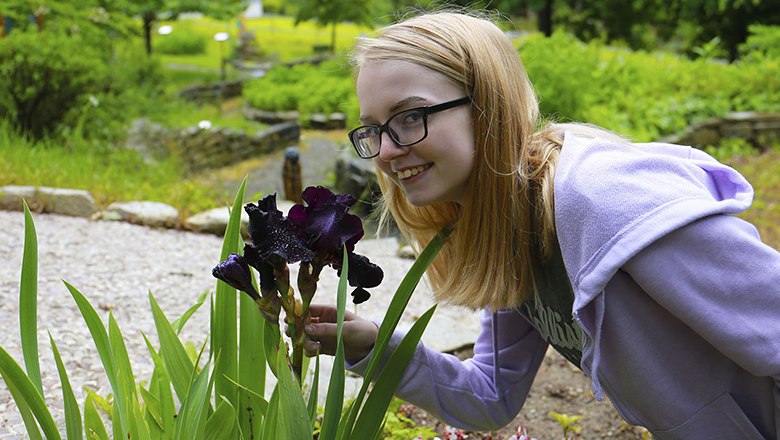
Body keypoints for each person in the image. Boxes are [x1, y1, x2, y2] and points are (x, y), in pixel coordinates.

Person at [303, 10, 780, 439]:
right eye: (373, 129)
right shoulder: (506, 225)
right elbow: (490, 396)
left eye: (409, 117)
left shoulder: (605, 203)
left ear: (487, 104)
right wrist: (374, 347)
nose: (385, 151)